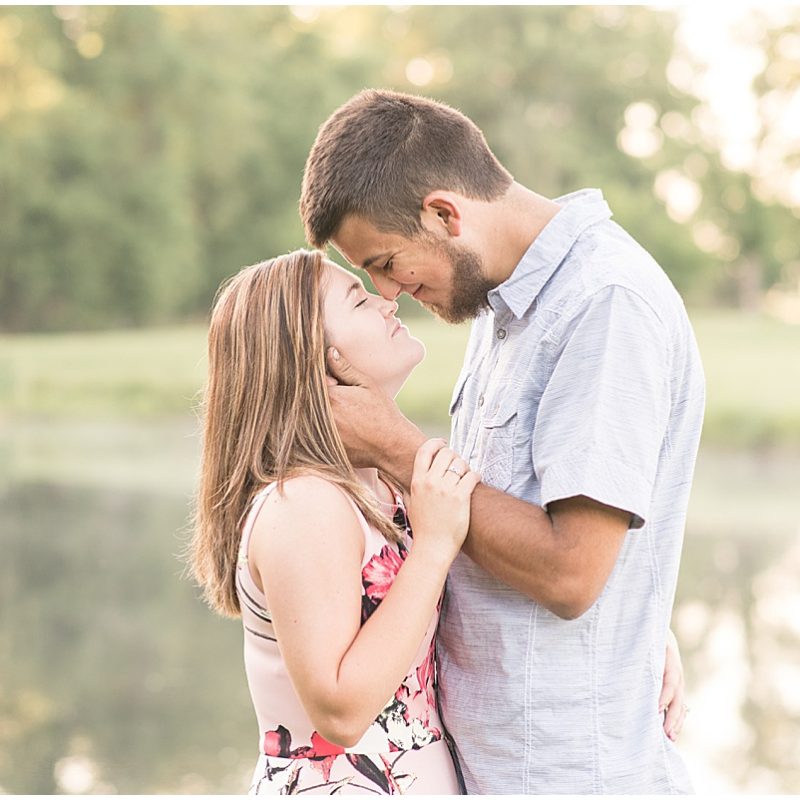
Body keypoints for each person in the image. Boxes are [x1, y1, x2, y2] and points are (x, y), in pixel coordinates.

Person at [299, 89, 705, 794]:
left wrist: (397, 449)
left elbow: (573, 574)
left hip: (567, 774)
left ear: (445, 214)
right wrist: (640, 618)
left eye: (386, 262)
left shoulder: (604, 303)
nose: (388, 292)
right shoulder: (501, 303)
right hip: (491, 767)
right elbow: (516, 521)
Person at [190, 249, 481, 794]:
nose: (387, 300)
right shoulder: (305, 505)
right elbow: (341, 712)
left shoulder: (382, 488)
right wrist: (435, 547)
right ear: (312, 358)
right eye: (357, 298)